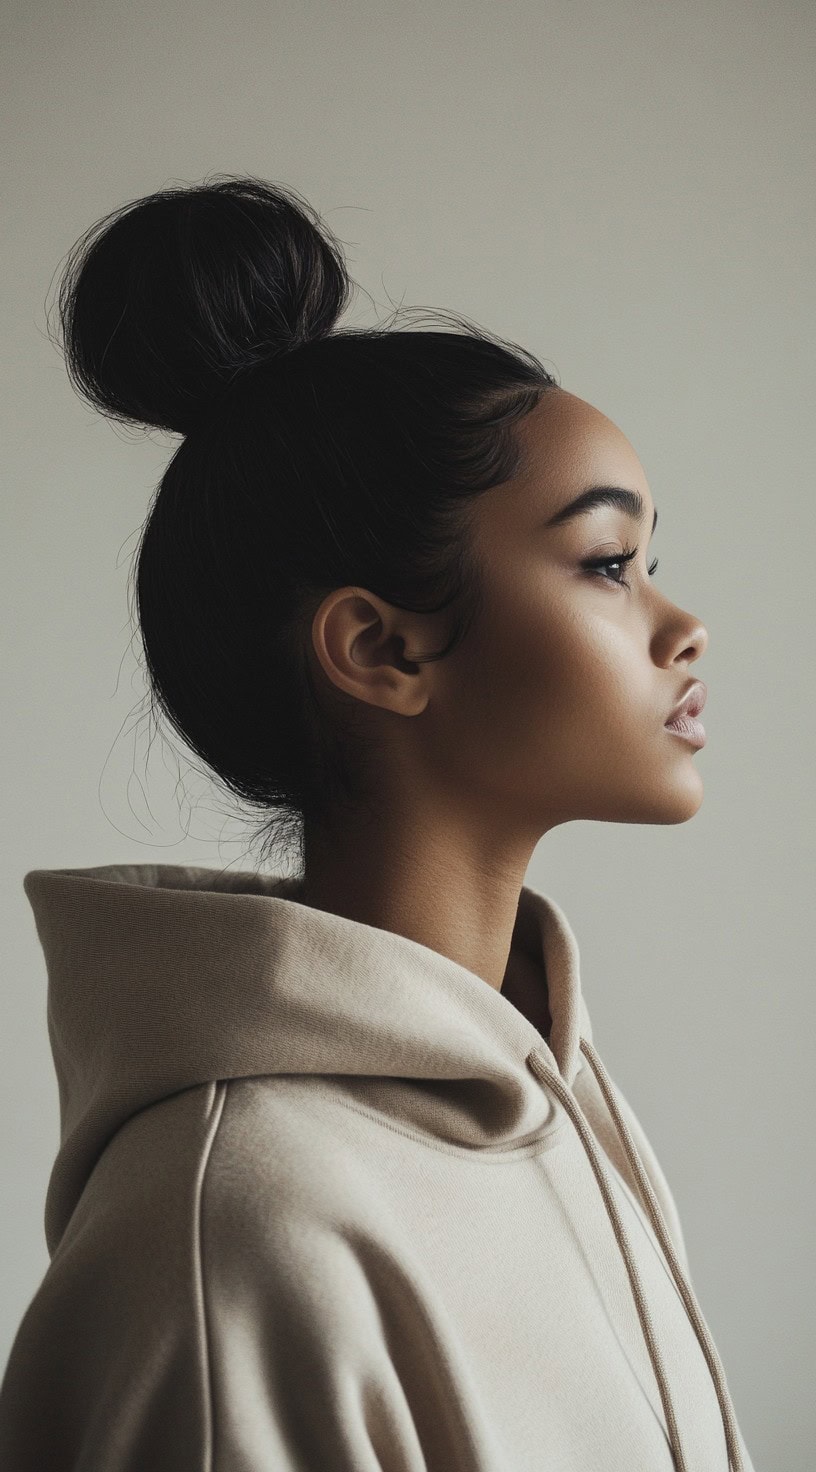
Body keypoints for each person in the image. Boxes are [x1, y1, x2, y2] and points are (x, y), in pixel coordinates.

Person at [0, 176, 755, 1471]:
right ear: (379, 648)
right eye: (607, 563)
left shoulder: (559, 1090)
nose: (684, 628)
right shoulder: (234, 1231)